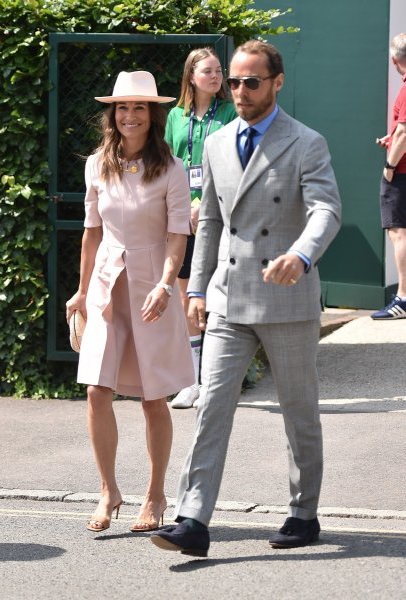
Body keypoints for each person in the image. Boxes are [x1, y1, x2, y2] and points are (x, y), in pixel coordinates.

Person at [150, 40, 341, 557]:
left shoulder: (306, 142)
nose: (239, 90)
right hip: (229, 297)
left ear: (277, 82)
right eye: (233, 81)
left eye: (251, 81)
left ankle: (304, 513)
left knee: (299, 410)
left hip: (287, 297)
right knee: (211, 404)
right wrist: (196, 287)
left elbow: (326, 210)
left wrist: (301, 255)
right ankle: (193, 518)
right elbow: (210, 219)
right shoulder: (216, 143)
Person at [66, 71, 195, 533]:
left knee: (152, 399)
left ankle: (156, 494)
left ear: (153, 115)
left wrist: (165, 284)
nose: (129, 115)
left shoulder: (172, 169)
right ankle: (108, 491)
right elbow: (91, 232)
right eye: (122, 107)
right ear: (112, 114)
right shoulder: (96, 165)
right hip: (105, 288)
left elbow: (177, 234)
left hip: (151, 291)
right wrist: (81, 291)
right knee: (97, 390)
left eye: (139, 107)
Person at [165, 48, 237, 409]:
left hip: (218, 215)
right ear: (191, 76)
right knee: (185, 297)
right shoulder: (175, 117)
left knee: (218, 294)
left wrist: (202, 201)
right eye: (207, 71)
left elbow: (233, 162)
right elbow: (167, 163)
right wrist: (183, 203)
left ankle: (215, 380)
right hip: (181, 217)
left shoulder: (228, 113)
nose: (216, 76)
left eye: (219, 71)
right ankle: (191, 381)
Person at [372, 33, 406, 320]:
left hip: (403, 172)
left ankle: (403, 299)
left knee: (399, 232)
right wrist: (393, 136)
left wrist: (389, 166)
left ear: (394, 60)